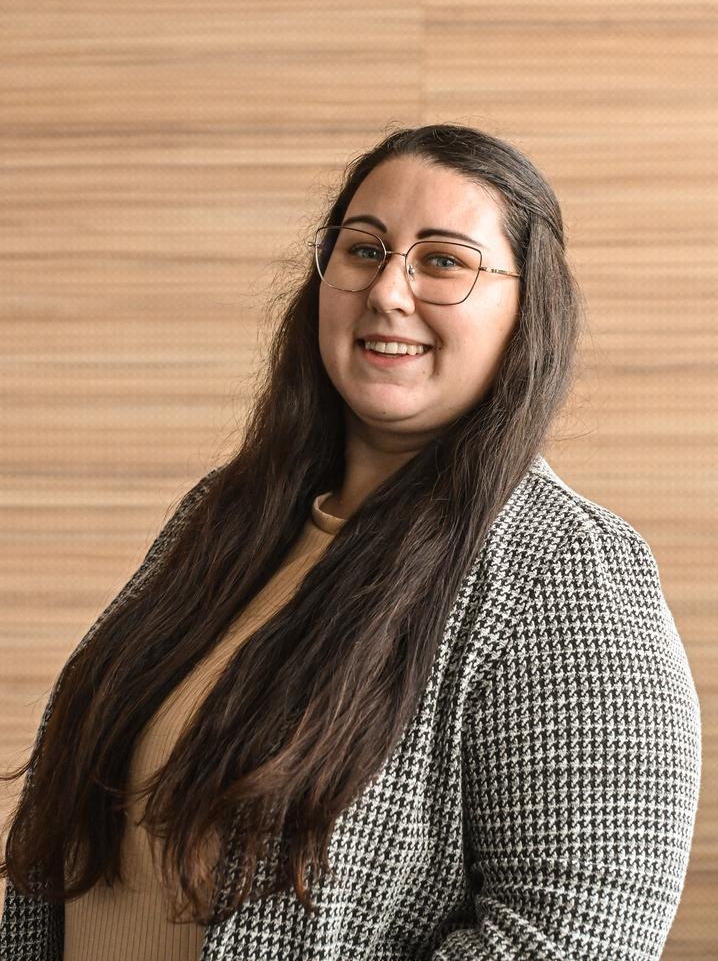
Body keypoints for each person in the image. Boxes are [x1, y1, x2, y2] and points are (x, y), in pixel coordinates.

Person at [0, 123, 701, 960]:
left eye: (443, 261)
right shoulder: (221, 516)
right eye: (364, 250)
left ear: (526, 308)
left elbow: (574, 934)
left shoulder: (567, 571)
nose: (389, 291)